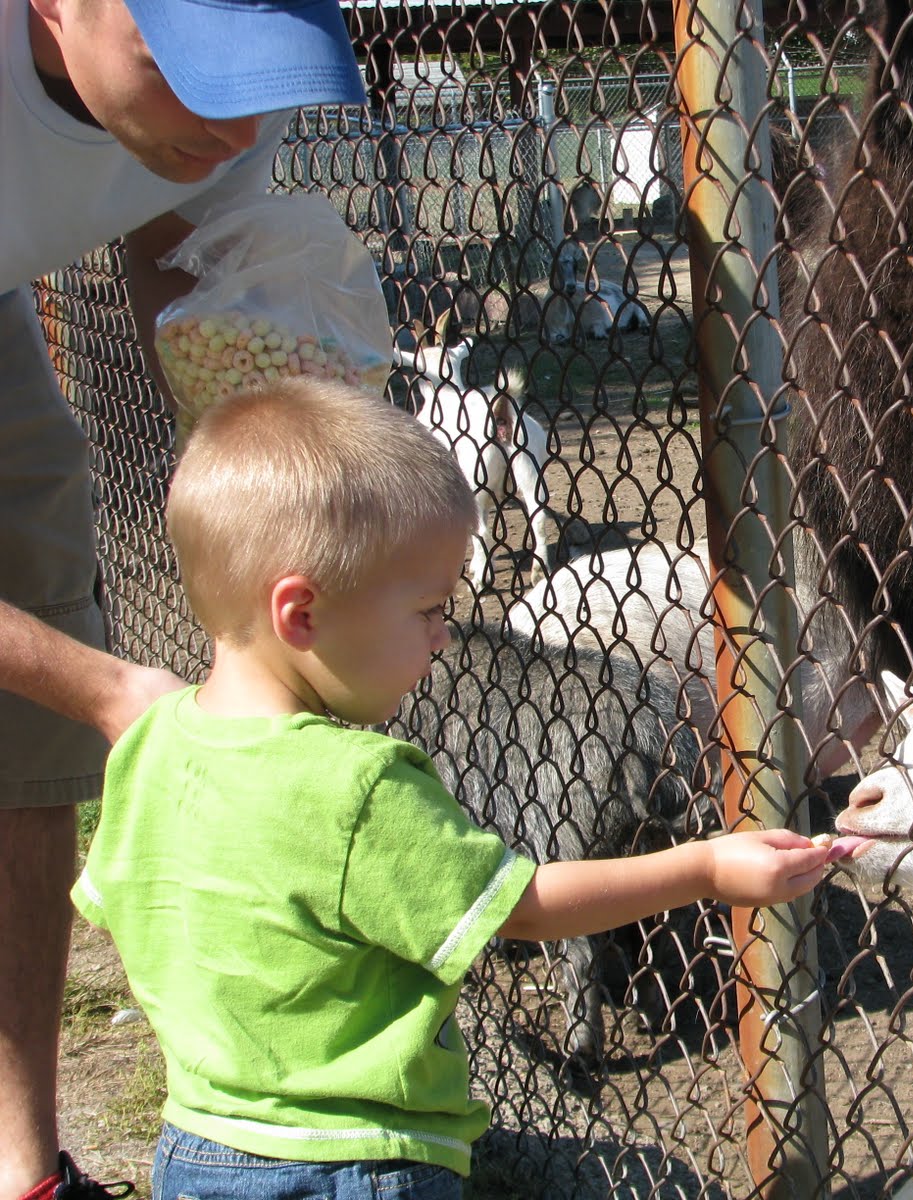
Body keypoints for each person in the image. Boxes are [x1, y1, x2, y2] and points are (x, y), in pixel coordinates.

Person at [70, 378, 849, 1200]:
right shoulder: (359, 786)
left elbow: (124, 907)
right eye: (427, 611)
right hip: (359, 1161)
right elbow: (524, 906)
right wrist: (707, 869)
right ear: (302, 615)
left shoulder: (150, 744)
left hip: (198, 1146)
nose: (446, 636)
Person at [0, 1, 369, 1197]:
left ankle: (24, 1176)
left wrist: (264, 439)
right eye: (187, 70)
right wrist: (108, 689)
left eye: (256, 78)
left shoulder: (218, 102)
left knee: (32, 541)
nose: (234, 122)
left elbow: (177, 246)